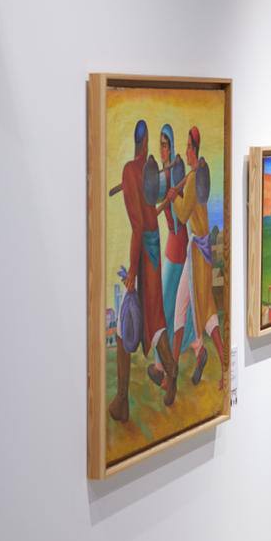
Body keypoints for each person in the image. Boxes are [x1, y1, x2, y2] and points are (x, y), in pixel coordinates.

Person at [110, 119, 178, 422]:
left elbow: (138, 226)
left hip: (144, 252)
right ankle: (123, 399)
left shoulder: (131, 171)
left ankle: (166, 373)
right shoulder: (145, 170)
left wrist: (132, 274)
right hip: (150, 247)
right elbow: (150, 215)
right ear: (146, 141)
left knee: (146, 320)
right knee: (144, 319)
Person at [162, 126, 226, 399]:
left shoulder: (192, 179)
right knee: (201, 310)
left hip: (197, 254)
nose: (186, 151)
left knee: (193, 309)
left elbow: (183, 214)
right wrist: (177, 193)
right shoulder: (196, 173)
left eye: (188, 147)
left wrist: (172, 198)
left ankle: (172, 376)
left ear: (194, 149)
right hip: (200, 252)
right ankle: (177, 372)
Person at [156, 123, 194, 356]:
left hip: (178, 242)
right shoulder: (166, 172)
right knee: (172, 302)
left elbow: (180, 212)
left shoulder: (175, 172)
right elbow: (152, 191)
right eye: (160, 145)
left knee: (168, 303)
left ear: (171, 147)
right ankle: (184, 348)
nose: (162, 150)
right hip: (173, 242)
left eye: (165, 145)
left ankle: (163, 361)